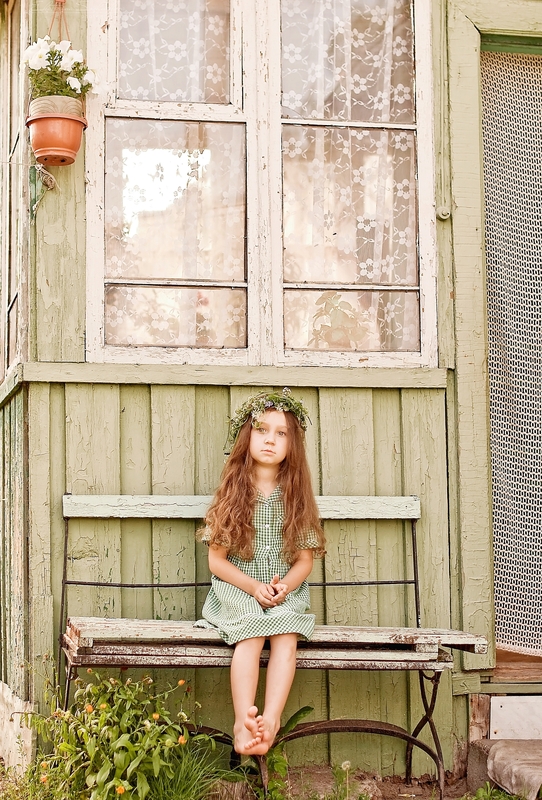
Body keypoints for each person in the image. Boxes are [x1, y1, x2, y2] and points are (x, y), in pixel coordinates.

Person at [195, 389, 325, 756]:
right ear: (247, 436)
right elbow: (217, 562)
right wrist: (254, 588)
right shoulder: (233, 493)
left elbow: (304, 561)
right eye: (262, 430)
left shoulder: (296, 496)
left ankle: (270, 720)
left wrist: (285, 587)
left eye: (281, 433)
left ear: (292, 443)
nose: (270, 439)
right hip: (238, 589)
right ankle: (243, 723)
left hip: (283, 591)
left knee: (286, 635)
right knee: (251, 635)